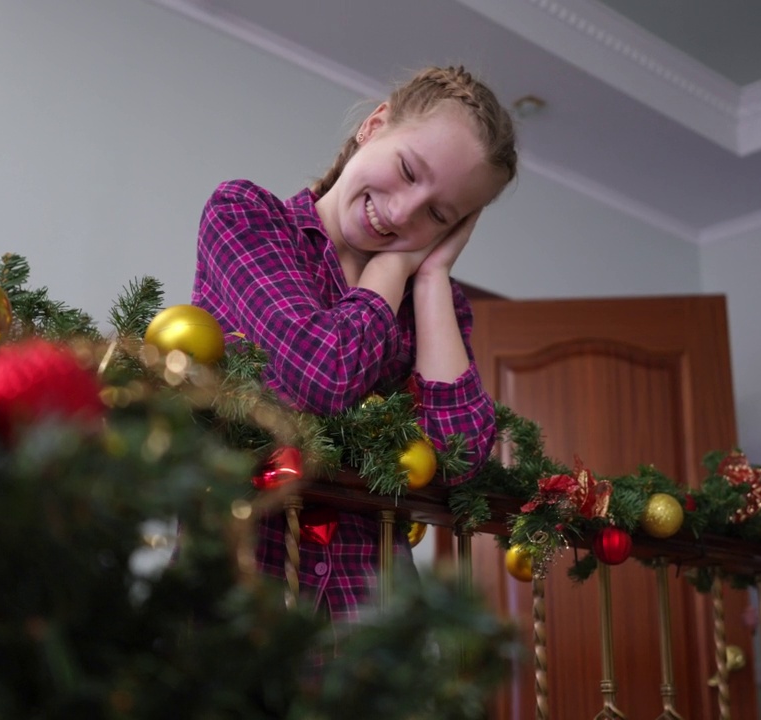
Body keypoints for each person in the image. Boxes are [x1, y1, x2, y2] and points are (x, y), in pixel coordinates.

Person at [190, 65, 518, 624]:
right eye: (407, 170)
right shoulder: (247, 216)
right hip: (240, 604)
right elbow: (317, 377)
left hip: (371, 629)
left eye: (439, 214)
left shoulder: (434, 305)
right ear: (374, 125)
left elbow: (461, 461)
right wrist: (392, 272)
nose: (399, 213)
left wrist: (433, 276)